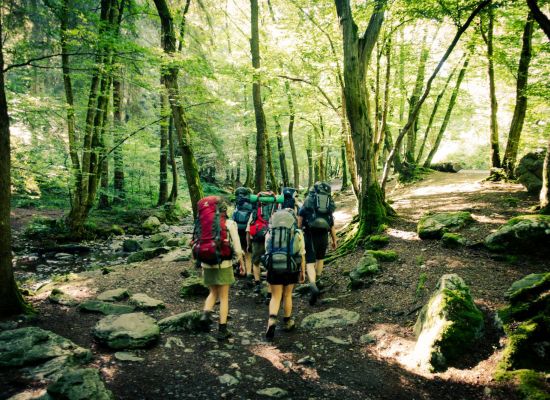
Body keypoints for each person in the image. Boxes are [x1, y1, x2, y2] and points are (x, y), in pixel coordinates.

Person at [193, 196, 245, 340]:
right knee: (223, 297)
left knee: (212, 292)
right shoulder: (229, 223)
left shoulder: (202, 224)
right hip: (224, 263)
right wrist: (240, 262)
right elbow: (238, 249)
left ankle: (206, 314)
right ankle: (222, 330)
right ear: (224, 209)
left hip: (206, 262)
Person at [263, 208, 306, 341]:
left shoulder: (270, 233)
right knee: (287, 295)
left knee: (275, 297)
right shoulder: (297, 233)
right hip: (291, 267)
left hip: (274, 268)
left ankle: (271, 320)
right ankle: (287, 321)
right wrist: (302, 271)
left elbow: (267, 251)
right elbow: (301, 253)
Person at [297, 182, 337, 306]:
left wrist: (299, 230)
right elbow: (331, 223)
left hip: (309, 233)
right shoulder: (327, 202)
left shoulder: (309, 200)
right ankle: (318, 279)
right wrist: (334, 240)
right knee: (320, 258)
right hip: (324, 233)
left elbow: (300, 217)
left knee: (310, 261)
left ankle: (313, 284)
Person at [246, 191, 277, 296]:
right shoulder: (275, 211)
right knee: (270, 263)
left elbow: (248, 229)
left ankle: (258, 283)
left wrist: (248, 244)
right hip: (271, 239)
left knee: (256, 262)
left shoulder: (255, 211)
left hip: (257, 239)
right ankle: (269, 288)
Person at [232, 187, 254, 283]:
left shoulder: (237, 204)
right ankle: (249, 273)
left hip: (238, 230)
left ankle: (242, 268)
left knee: (240, 250)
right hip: (248, 231)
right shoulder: (251, 203)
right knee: (248, 252)